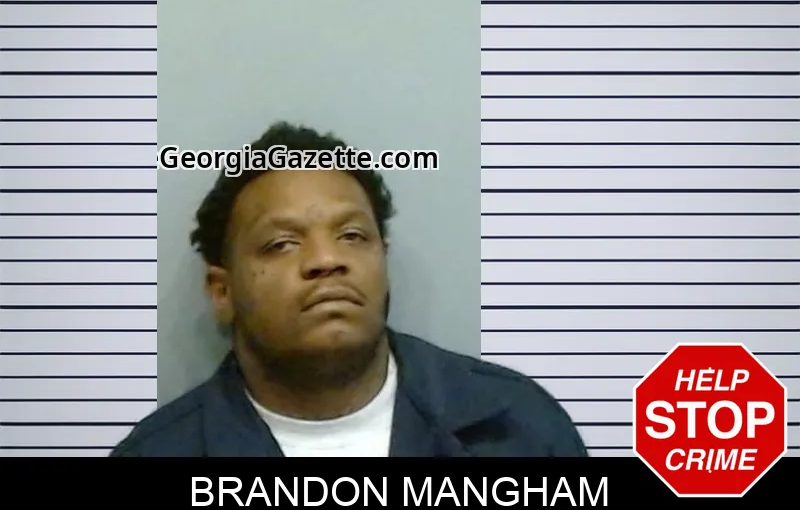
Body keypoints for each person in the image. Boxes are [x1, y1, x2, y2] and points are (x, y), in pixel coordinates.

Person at [110, 122, 588, 457]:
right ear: (222, 291)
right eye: (282, 244)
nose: (326, 259)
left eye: (353, 235)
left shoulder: (517, 427)